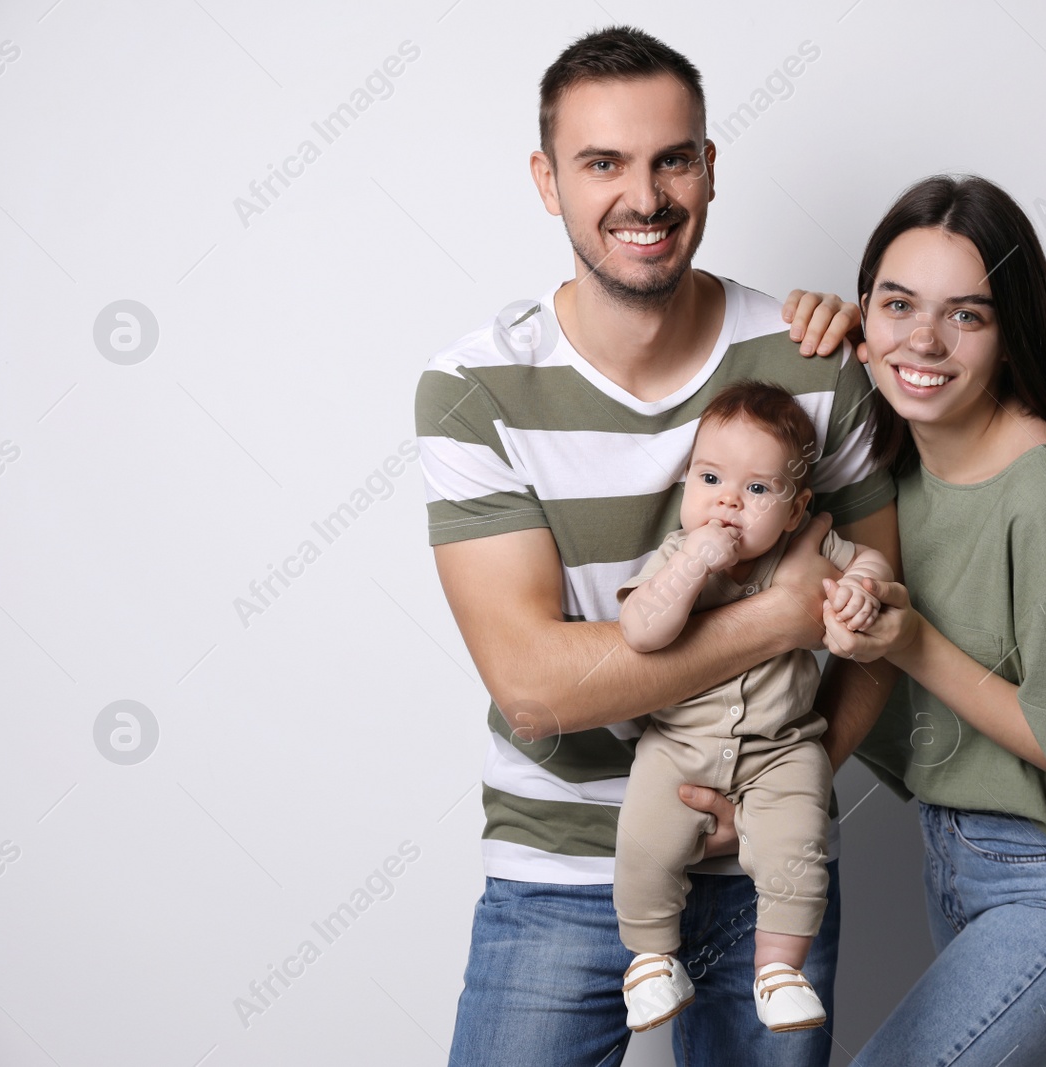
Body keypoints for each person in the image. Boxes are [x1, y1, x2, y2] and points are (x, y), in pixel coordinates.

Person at [413, 26, 902, 1067]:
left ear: (710, 169)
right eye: (603, 163)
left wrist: (782, 793)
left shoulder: (813, 364)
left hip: (769, 874)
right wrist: (778, 615)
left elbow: (884, 628)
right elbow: (534, 687)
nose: (645, 196)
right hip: (558, 871)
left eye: (671, 158)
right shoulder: (475, 390)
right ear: (547, 181)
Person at [802, 174, 1046, 1065]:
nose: (924, 339)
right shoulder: (896, 462)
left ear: (1012, 336)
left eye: (967, 315)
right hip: (959, 857)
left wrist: (913, 642)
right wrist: (821, 346)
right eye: (898, 304)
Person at [613, 382, 892, 1034]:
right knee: (643, 841)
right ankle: (650, 959)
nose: (729, 500)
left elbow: (874, 557)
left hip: (782, 747)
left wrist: (862, 583)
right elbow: (642, 630)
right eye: (710, 477)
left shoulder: (809, 554)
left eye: (758, 489)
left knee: (800, 844)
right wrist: (693, 567)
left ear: (796, 512)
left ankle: (779, 970)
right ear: (686, 483)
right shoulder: (675, 556)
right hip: (679, 743)